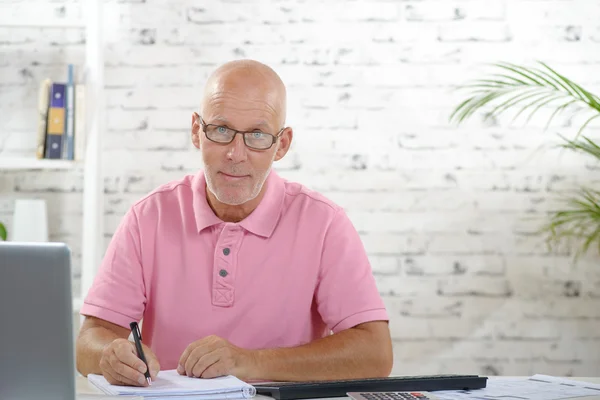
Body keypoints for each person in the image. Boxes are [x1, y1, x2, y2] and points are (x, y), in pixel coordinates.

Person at [75, 59, 393, 386]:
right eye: (222, 130)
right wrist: (109, 355)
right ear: (197, 131)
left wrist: (248, 361)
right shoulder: (149, 216)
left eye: (256, 134)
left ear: (281, 144)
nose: (236, 154)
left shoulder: (325, 223)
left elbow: (375, 354)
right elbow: (91, 338)